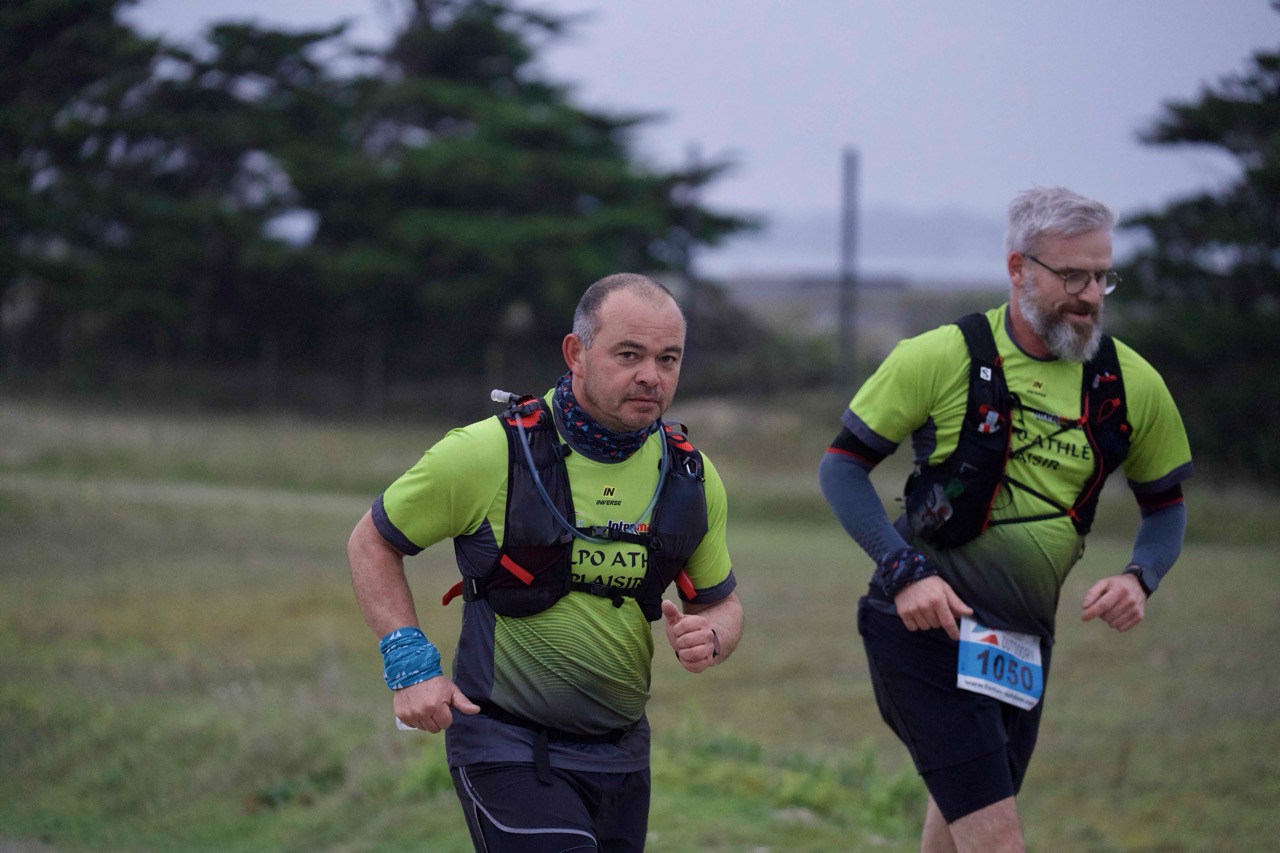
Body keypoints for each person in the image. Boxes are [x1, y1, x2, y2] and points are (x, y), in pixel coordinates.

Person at [819, 186, 1193, 853]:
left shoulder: (1132, 384)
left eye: (1102, 276)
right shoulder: (939, 356)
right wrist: (904, 572)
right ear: (1019, 268)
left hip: (1021, 645)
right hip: (924, 629)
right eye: (1071, 275)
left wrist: (1140, 576)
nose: (1090, 295)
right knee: (997, 841)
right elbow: (841, 467)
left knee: (959, 830)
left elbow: (1165, 507)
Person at [347, 272, 743, 852]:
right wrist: (409, 662)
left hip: (622, 755)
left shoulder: (691, 477)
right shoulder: (488, 452)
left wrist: (713, 635)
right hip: (504, 744)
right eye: (629, 354)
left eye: (668, 359)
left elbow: (720, 603)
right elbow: (372, 541)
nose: (650, 376)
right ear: (576, 353)